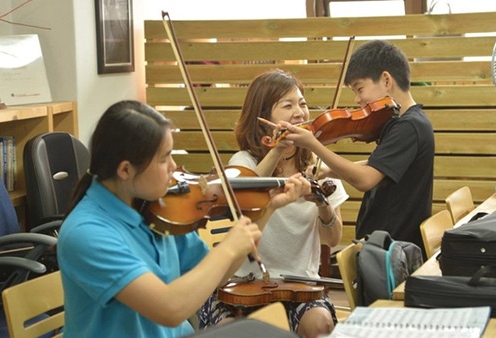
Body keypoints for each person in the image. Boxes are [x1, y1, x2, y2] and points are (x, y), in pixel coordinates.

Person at [57, 100, 311, 337]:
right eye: (164, 158)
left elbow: (217, 277)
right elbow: (170, 309)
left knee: (260, 331)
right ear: (125, 170)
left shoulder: (158, 209)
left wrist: (268, 209)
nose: (173, 167)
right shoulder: (87, 233)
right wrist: (229, 248)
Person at [199, 69, 349, 338]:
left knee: (320, 324)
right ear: (264, 116)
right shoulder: (243, 163)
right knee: (228, 332)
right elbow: (249, 193)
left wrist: (323, 205)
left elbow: (333, 238)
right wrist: (277, 148)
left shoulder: (318, 165)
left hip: (300, 285)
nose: (300, 112)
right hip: (242, 285)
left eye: (302, 103)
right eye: (288, 105)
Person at [283, 40, 435, 256]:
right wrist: (328, 171)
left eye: (360, 88)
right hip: (388, 246)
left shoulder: (409, 126)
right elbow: (381, 166)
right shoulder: (406, 122)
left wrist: (313, 144)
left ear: (386, 79)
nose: (357, 99)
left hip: (392, 250)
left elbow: (366, 179)